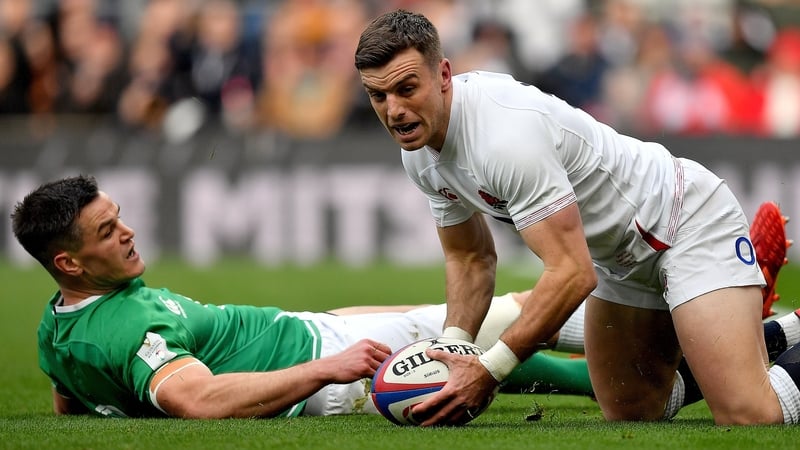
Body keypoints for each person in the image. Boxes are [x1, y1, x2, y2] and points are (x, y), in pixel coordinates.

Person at [11, 175, 798, 420]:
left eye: (118, 217)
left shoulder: (62, 324)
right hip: (333, 369)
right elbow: (195, 398)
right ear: (68, 261)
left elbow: (71, 388)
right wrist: (325, 369)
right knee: (540, 347)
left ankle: (741, 327)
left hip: (315, 330)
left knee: (519, 312)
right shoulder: (129, 325)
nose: (127, 232)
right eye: (107, 232)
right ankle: (760, 340)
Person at [354, 9, 800, 426]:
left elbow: (571, 272)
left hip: (684, 222)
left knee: (748, 412)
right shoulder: (418, 153)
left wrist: (490, 369)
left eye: (406, 89)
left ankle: (743, 333)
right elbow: (470, 259)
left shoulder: (503, 135)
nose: (394, 110)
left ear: (443, 75)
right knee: (633, 409)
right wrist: (453, 347)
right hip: (618, 259)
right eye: (378, 95)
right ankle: (778, 331)